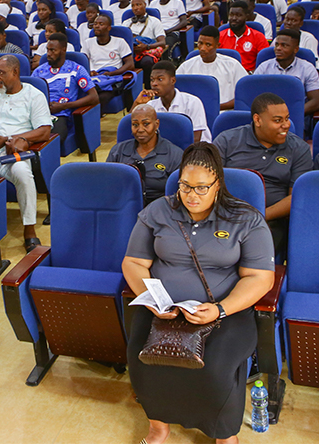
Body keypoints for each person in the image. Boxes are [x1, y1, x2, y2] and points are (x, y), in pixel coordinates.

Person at [123, 142, 275, 444]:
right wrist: (153, 300)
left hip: (224, 313)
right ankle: (158, 427)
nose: (192, 196)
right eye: (185, 187)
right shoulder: (158, 211)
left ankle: (224, 435)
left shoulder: (245, 219)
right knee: (141, 357)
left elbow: (260, 277)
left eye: (202, 188)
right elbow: (134, 262)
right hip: (164, 311)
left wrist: (220, 309)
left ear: (218, 183)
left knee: (215, 368)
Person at [214, 92, 312, 252]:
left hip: (271, 219)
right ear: (257, 120)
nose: (286, 125)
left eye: (287, 119)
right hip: (226, 215)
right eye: (278, 120)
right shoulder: (227, 141)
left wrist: (260, 215)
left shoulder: (298, 148)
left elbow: (297, 196)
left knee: (252, 250)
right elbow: (209, 182)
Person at [0, 55, 52, 252]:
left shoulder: (33, 95)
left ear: (15, 73)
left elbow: (44, 130)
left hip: (11, 152)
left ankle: (29, 229)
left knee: (23, 173)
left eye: (1, 73)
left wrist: (15, 137)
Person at [106, 104, 183, 204]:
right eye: (135, 125)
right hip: (123, 206)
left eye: (146, 124)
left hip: (160, 208)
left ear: (157, 124)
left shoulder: (174, 154)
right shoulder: (118, 151)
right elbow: (107, 184)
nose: (140, 130)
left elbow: (178, 193)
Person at [31, 33, 98, 145]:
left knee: (51, 140)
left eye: (53, 50)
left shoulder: (76, 69)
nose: (48, 54)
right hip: (39, 112)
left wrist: (64, 106)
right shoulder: (39, 71)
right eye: (47, 50)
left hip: (60, 114)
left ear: (63, 50)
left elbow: (94, 97)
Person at [134, 61, 211, 143]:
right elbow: (133, 128)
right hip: (165, 151)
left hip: (194, 151)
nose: (154, 84)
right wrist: (138, 103)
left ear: (173, 80)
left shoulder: (192, 102)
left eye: (160, 79)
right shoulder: (151, 106)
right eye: (152, 80)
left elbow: (195, 139)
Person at [253, 29, 319, 118]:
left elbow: (316, 101)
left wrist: (291, 115)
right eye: (277, 44)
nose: (278, 48)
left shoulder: (307, 68)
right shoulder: (264, 67)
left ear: (295, 49)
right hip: (267, 115)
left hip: (296, 116)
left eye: (284, 45)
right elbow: (252, 93)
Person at [178, 26, 246, 111]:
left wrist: (215, 108)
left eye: (208, 45)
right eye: (200, 43)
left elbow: (245, 94)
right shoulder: (186, 66)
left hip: (224, 114)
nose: (202, 48)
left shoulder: (232, 65)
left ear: (217, 46)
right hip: (193, 114)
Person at [81, 14, 135, 109]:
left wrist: (112, 73)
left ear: (109, 28)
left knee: (101, 97)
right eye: (95, 24)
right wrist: (89, 72)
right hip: (94, 77)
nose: (97, 26)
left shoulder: (120, 42)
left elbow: (130, 64)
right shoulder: (87, 43)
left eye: (101, 24)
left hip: (113, 78)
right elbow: (83, 63)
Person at [124, 0, 167, 88]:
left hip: (146, 52)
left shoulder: (155, 21)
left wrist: (146, 46)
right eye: (133, 5)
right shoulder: (126, 23)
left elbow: (162, 43)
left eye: (138, 4)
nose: (135, 8)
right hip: (131, 53)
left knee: (147, 62)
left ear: (145, 5)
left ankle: (149, 88)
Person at [218, 1, 269, 72]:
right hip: (224, 75)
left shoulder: (258, 37)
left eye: (238, 15)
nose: (234, 18)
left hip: (248, 76)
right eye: (231, 15)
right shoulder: (220, 36)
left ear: (246, 17)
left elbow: (265, 62)